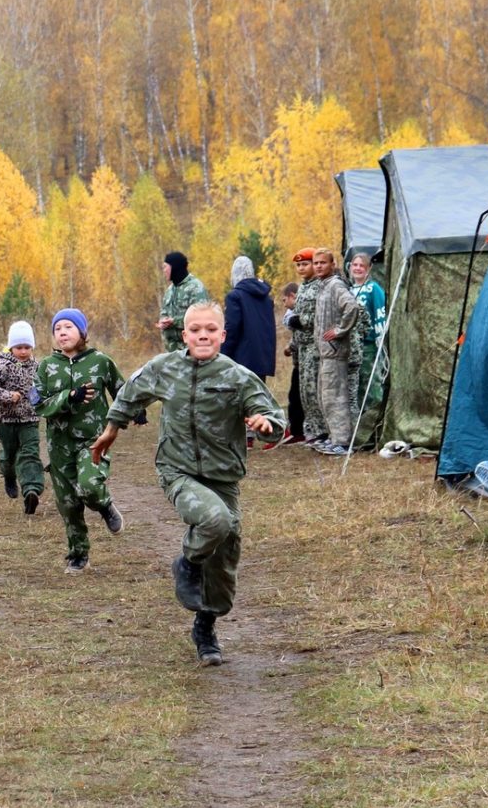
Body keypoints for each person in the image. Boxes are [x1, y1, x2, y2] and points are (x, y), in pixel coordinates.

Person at [92, 301, 286, 666]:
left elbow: (273, 417)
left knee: (226, 558)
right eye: (195, 329)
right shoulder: (166, 368)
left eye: (210, 330)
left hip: (223, 477)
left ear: (222, 336)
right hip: (177, 470)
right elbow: (131, 393)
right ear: (184, 335)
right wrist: (110, 430)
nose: (202, 335)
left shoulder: (237, 376)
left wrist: (265, 425)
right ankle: (188, 562)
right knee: (215, 521)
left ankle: (205, 624)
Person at [38, 308, 125, 573]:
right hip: (59, 445)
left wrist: (135, 410)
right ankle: (78, 554)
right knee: (68, 503)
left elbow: (121, 389)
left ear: (82, 332)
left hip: (93, 440)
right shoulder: (46, 366)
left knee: (88, 486)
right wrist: (68, 397)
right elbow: (38, 404)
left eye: (68, 327)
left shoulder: (99, 361)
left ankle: (105, 505)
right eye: (57, 329)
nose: (62, 333)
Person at [0, 319, 45, 514]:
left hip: (30, 420)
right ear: (11, 348)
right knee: (9, 458)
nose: (24, 351)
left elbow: (44, 389)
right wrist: (8, 396)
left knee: (30, 454)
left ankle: (31, 491)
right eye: (19, 347)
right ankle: (9, 476)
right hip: (7, 421)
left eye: (27, 347)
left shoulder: (38, 367)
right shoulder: (3, 366)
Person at [311, 248, 360, 455]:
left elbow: (352, 307)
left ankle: (342, 441)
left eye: (323, 262)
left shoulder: (336, 285)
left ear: (332, 264)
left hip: (334, 352)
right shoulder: (323, 286)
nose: (319, 266)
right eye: (316, 263)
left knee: (336, 397)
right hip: (325, 353)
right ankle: (334, 437)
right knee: (326, 397)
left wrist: (339, 330)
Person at [349, 253, 387, 448]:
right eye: (354, 265)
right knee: (358, 390)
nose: (357, 268)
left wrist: (380, 340)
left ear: (368, 268)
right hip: (353, 348)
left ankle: (372, 434)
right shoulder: (349, 290)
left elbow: (380, 315)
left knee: (372, 390)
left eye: (361, 265)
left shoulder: (374, 289)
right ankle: (361, 433)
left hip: (370, 346)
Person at [289, 248, 325, 444]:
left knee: (314, 390)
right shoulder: (303, 287)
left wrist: (301, 321)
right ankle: (311, 430)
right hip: (302, 346)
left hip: (314, 345)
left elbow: (320, 316)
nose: (301, 268)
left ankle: (322, 431)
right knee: (304, 391)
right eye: (299, 265)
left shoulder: (320, 286)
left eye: (305, 264)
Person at [220, 256, 276, 381]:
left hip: (241, 361)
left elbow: (232, 329)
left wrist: (222, 355)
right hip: (262, 360)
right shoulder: (266, 298)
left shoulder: (234, 296)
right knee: (257, 398)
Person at [272, 282, 306, 446]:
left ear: (293, 296)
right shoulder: (293, 315)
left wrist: (292, 346)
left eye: (285, 300)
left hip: (305, 363)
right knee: (294, 395)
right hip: (299, 360)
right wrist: (291, 347)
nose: (284, 304)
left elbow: (304, 333)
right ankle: (297, 430)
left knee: (297, 396)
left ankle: (299, 432)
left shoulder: (301, 312)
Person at [157, 251, 210, 352]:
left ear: (174, 267)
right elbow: (164, 314)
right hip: (172, 353)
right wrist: (163, 322)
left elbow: (201, 318)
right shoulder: (169, 291)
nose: (164, 270)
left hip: (192, 351)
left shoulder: (195, 287)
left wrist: (174, 322)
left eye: (165, 267)